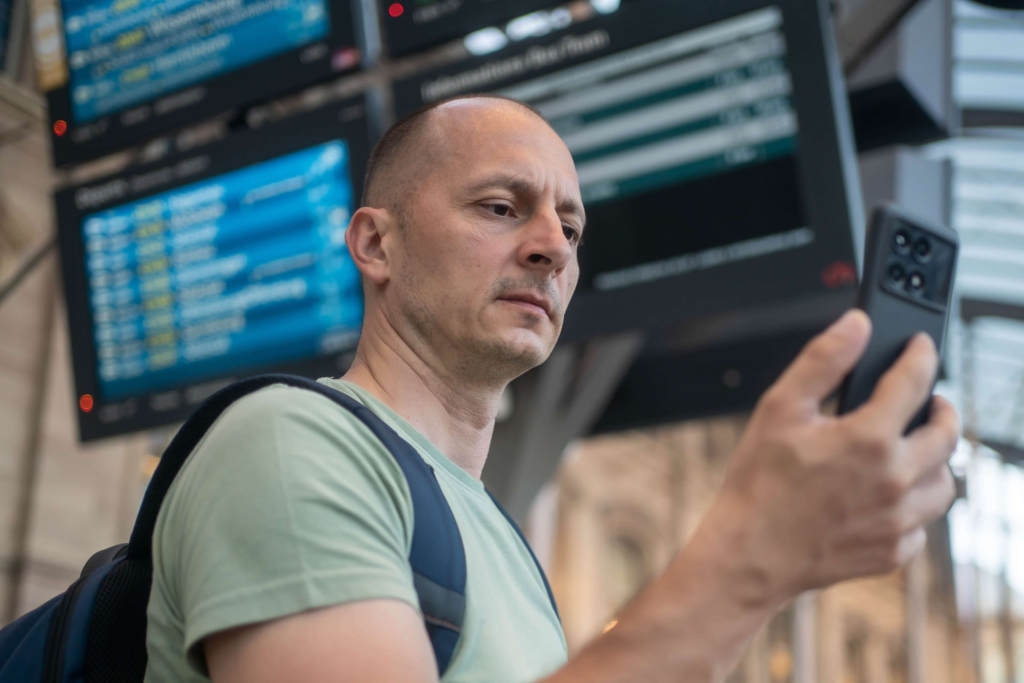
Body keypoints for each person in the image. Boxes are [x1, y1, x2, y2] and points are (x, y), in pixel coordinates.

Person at [143, 94, 959, 683]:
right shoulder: (286, 440)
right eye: (501, 207)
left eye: (570, 229)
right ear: (374, 244)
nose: (552, 249)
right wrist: (754, 558)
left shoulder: (504, 546)